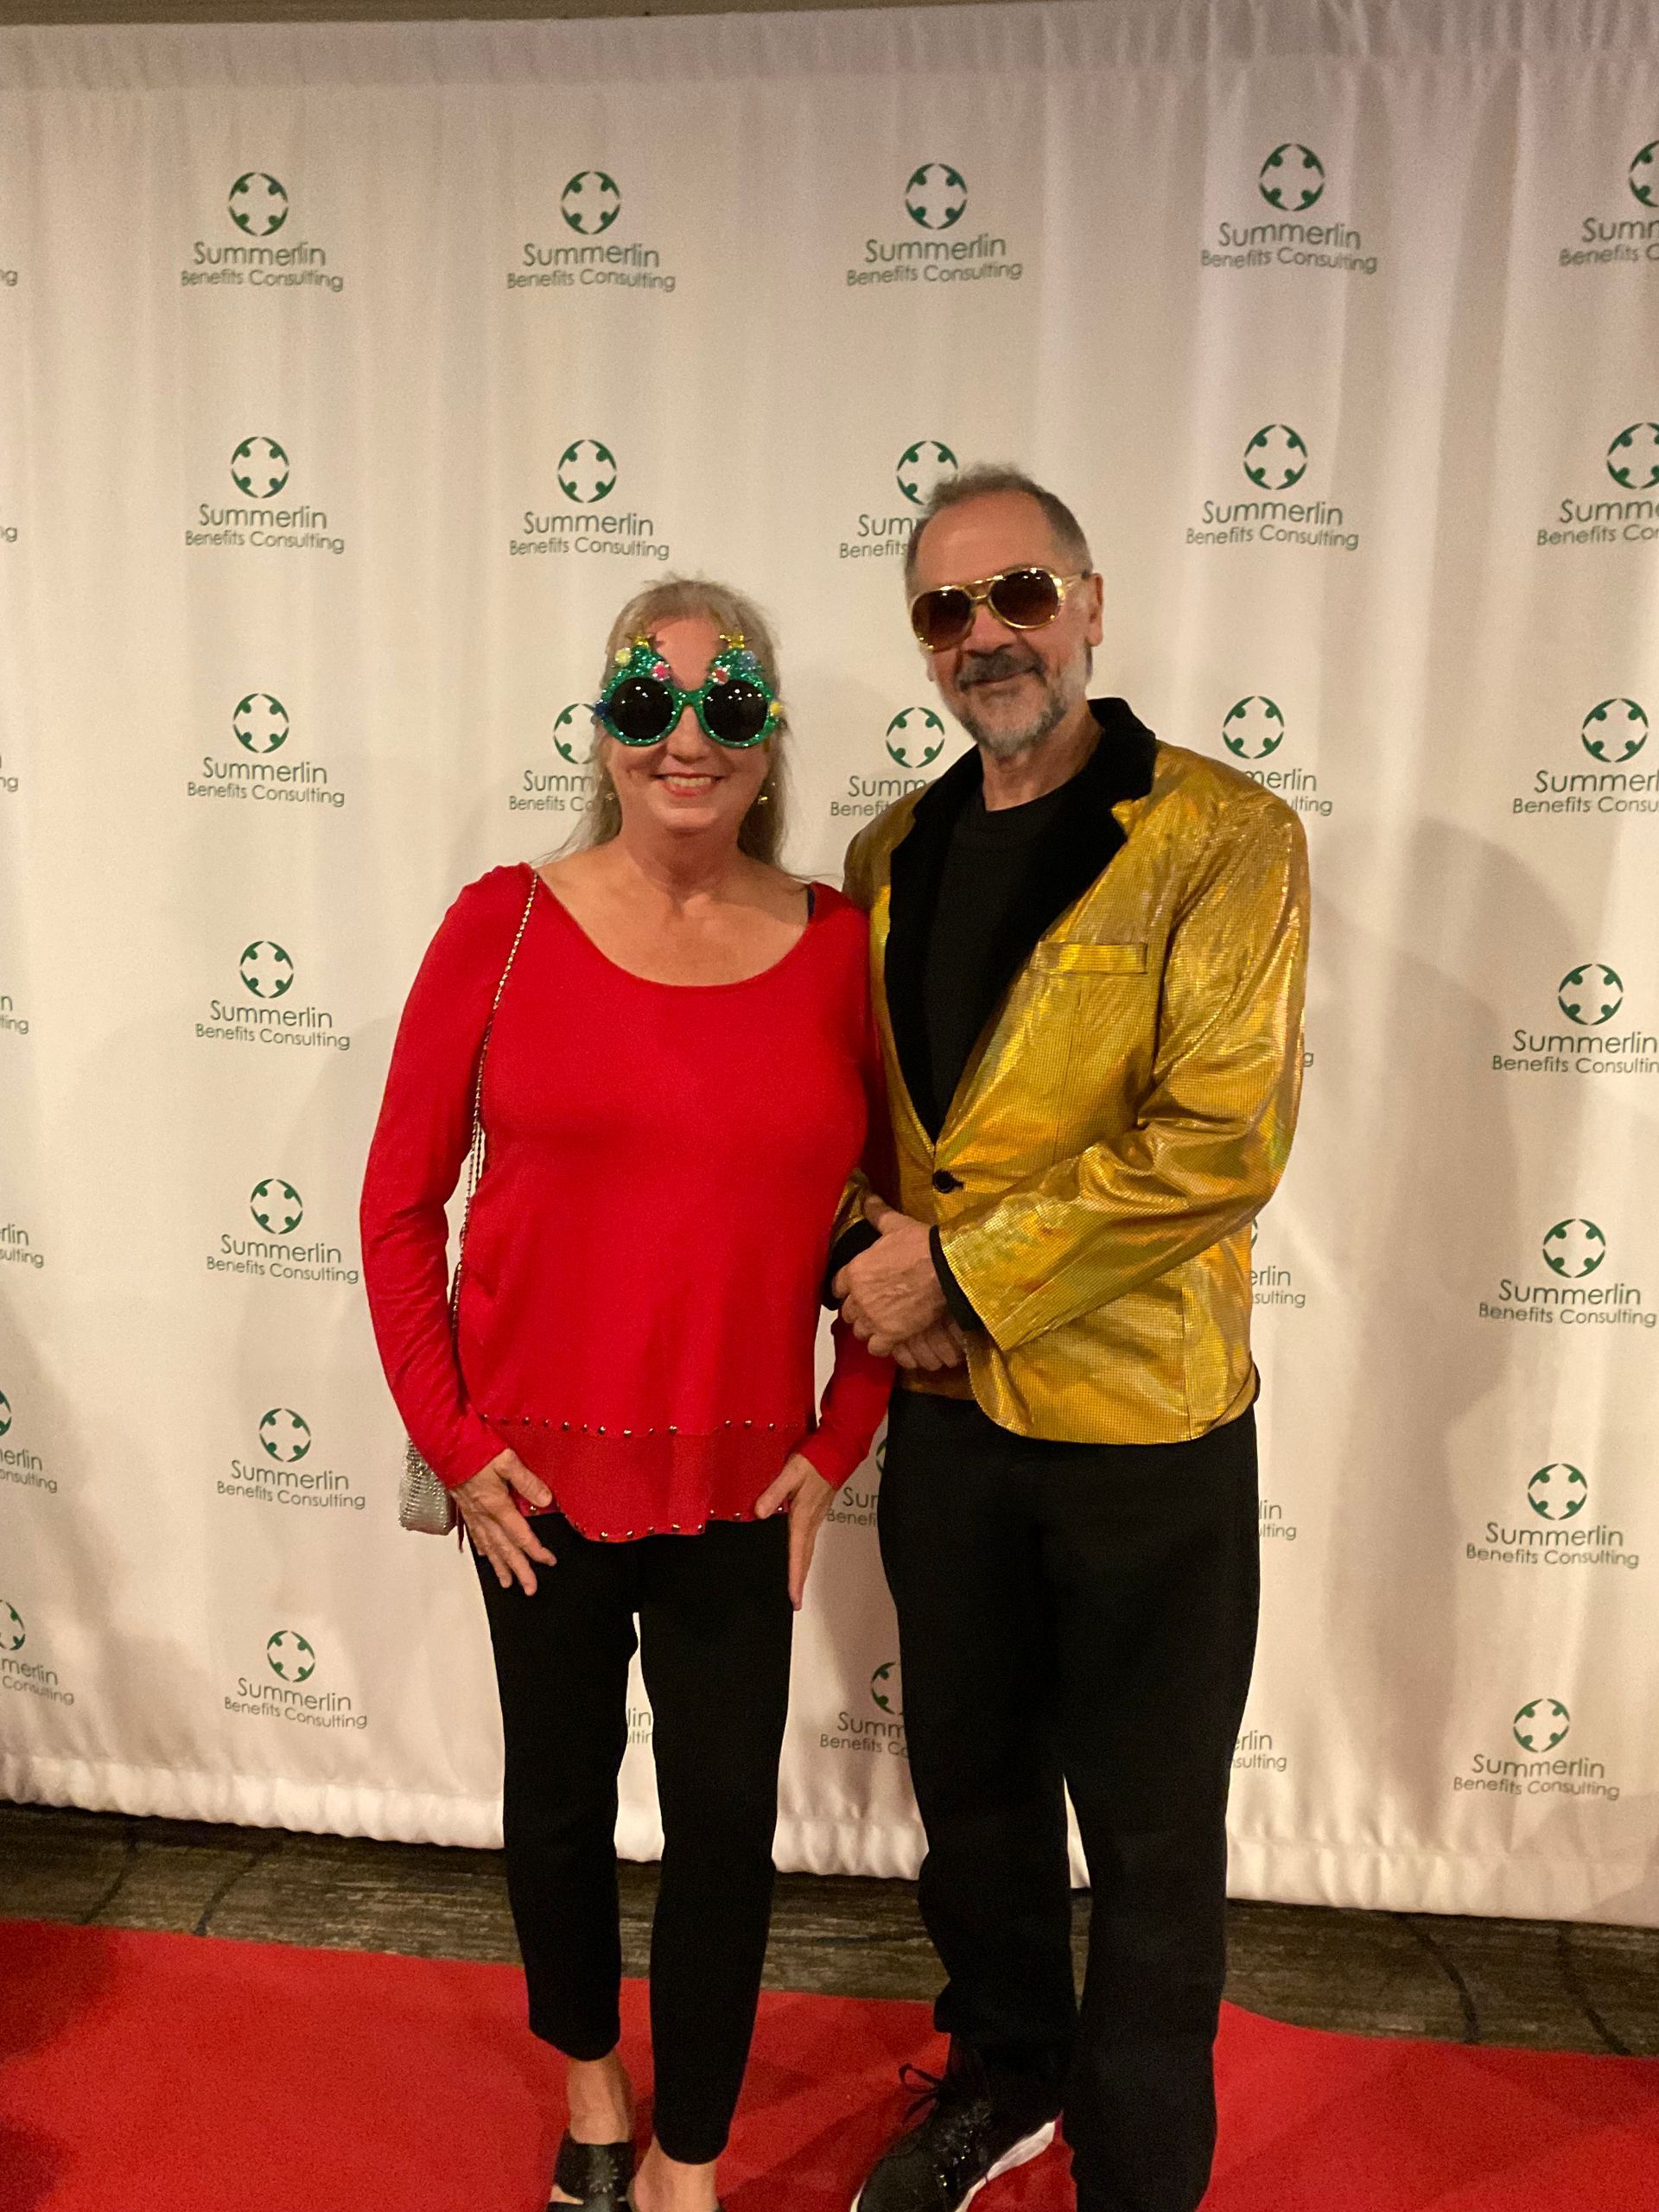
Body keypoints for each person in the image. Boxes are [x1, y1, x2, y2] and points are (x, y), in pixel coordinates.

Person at [360, 579, 891, 2212]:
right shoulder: (499, 925)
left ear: (768, 733)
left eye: (727, 704)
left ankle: (691, 2152)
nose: (686, 737)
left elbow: (892, 1229)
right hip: (534, 1484)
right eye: (649, 702)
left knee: (728, 1823)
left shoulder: (834, 952)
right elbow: (396, 1205)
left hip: (743, 1487)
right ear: (600, 725)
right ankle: (593, 2083)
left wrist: (837, 1440)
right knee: (557, 1800)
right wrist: (455, 1447)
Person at [832, 466, 1310, 2212]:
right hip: (951, 1427)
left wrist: (957, 1271)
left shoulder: (1226, 835)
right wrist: (867, 1265)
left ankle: (1143, 2164)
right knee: (973, 1798)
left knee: (1156, 1831)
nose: (986, 635)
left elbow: (1218, 1144)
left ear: (1091, 603)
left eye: (1018, 592)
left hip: (1149, 1435)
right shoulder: (892, 850)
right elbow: (844, 1127)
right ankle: (1005, 2074)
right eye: (946, 611)